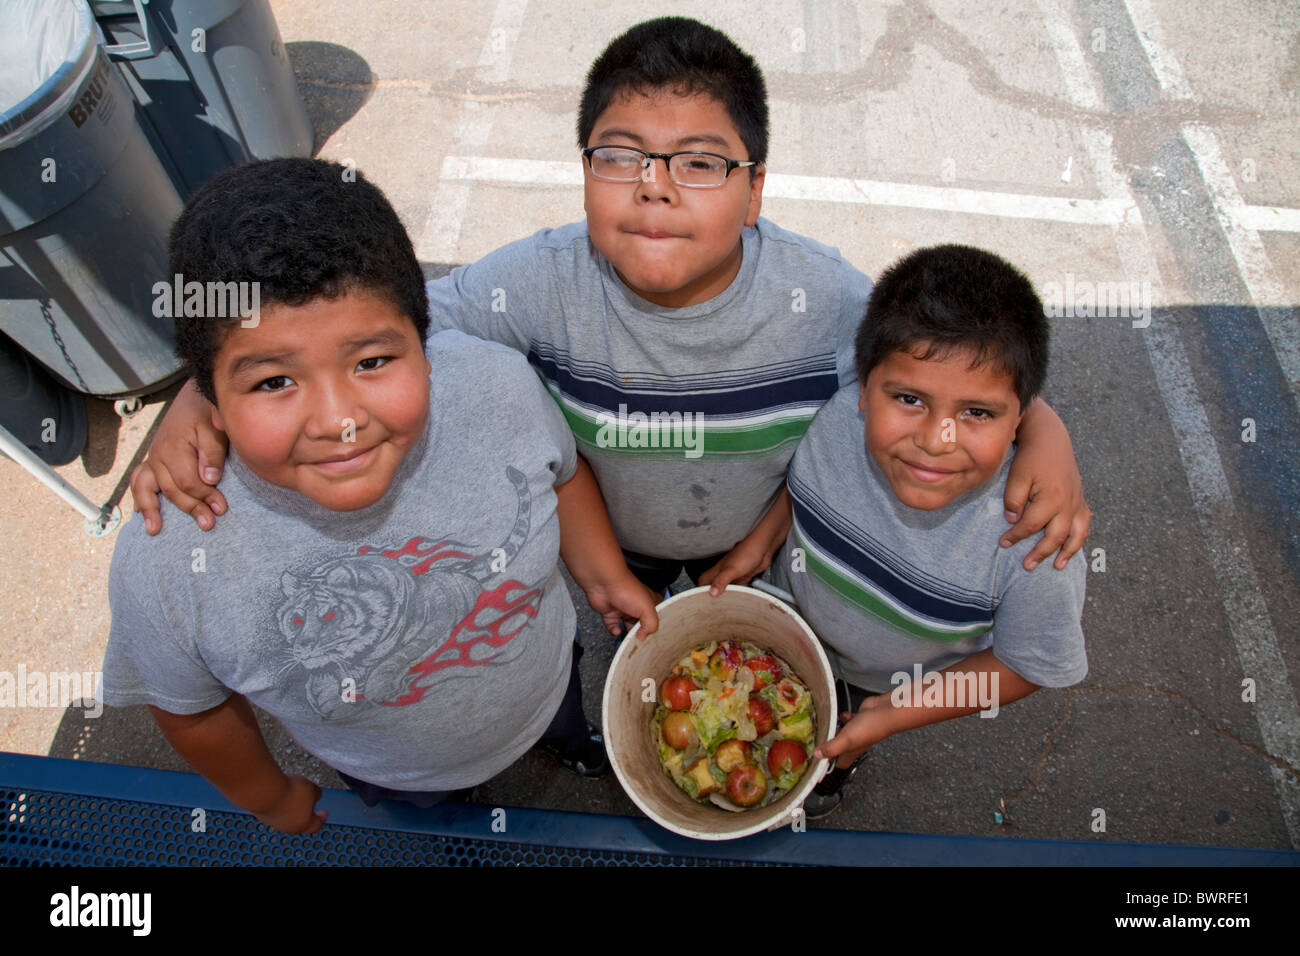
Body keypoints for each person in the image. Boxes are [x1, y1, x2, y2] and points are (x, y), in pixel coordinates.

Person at [127, 17, 1091, 601]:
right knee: (621, 614)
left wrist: (1042, 427)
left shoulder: (827, 298)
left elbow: (942, 363)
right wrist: (203, 395)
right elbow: (343, 324)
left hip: (760, 532)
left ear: (756, 191)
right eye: (621, 155)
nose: (656, 187)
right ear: (584, 171)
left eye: (702, 162)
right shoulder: (533, 283)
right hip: (606, 528)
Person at [102, 158, 659, 834]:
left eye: (371, 362)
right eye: (274, 381)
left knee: (566, 720)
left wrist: (604, 575)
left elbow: (561, 473)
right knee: (431, 817)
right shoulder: (168, 558)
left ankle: (570, 744)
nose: (338, 419)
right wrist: (268, 795)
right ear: (208, 395)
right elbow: (189, 707)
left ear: (425, 342)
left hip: (545, 682)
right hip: (392, 769)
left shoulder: (497, 388)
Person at [768, 244, 1088, 818]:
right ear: (865, 388)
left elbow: (1024, 663)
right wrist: (754, 545)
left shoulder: (1034, 546)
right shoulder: (839, 417)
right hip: (783, 633)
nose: (938, 439)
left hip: (887, 684)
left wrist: (893, 712)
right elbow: (802, 490)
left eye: (977, 414)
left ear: (1022, 418)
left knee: (836, 746)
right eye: (909, 399)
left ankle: (831, 780)